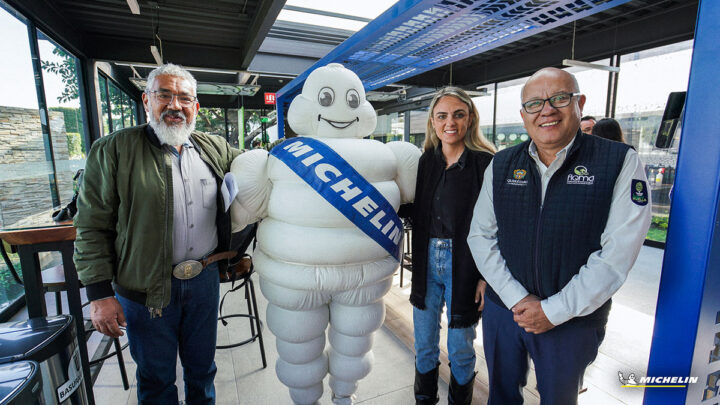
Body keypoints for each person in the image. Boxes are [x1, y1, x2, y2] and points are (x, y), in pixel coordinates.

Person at [467, 68, 652, 405]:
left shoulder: (619, 162)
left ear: (579, 103)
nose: (547, 110)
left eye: (559, 99)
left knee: (558, 400)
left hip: (572, 319)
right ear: (524, 116)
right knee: (501, 397)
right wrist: (516, 299)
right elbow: (480, 236)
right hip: (504, 311)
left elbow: (617, 254)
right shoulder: (503, 164)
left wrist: (555, 310)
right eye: (535, 103)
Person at [74, 63, 241, 405]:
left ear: (195, 107)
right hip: (145, 289)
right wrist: (99, 295)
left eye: (184, 98)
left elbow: (259, 171)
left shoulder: (215, 149)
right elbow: (91, 225)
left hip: (203, 281)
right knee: (156, 378)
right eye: (164, 94)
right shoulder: (114, 150)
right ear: (146, 100)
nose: (174, 105)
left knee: (202, 370)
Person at [409, 87, 495, 405]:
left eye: (459, 114)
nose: (450, 122)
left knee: (460, 344)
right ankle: (424, 399)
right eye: (442, 116)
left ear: (470, 119)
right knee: (425, 342)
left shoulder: (486, 164)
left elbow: (494, 225)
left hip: (466, 264)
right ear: (433, 121)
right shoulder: (426, 162)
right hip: (426, 260)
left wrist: (486, 277)